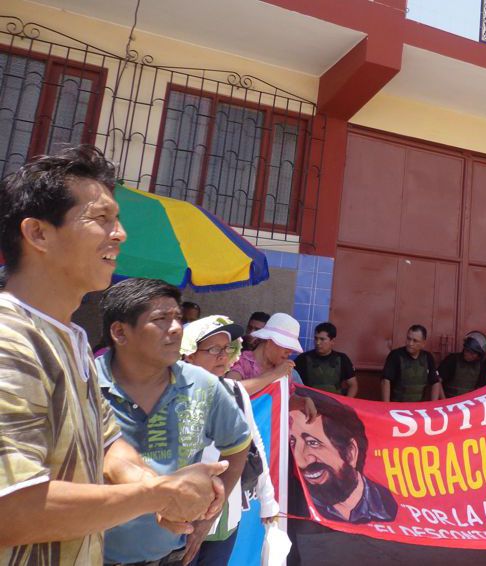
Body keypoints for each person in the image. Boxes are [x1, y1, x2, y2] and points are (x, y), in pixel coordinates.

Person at [0, 146, 225, 565]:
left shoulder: (72, 340)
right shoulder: (9, 339)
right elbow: (12, 509)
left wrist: (153, 486)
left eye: (116, 219)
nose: (119, 234)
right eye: (101, 218)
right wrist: (157, 494)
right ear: (38, 234)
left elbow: (107, 443)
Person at [97, 278, 252, 565]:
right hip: (91, 555)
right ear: (119, 332)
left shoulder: (204, 385)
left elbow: (239, 446)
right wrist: (159, 494)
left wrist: (208, 516)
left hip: (171, 555)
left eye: (178, 318)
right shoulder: (84, 385)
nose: (176, 328)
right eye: (161, 319)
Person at [181, 315, 281, 565]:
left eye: (227, 348)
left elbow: (254, 446)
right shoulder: (171, 394)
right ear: (189, 354)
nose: (223, 356)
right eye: (213, 349)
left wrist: (268, 500)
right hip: (180, 515)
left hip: (224, 516)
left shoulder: (235, 392)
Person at [290, 389, 398, 523]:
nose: (300, 460)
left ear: (350, 452)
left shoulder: (386, 504)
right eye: (292, 442)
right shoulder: (294, 504)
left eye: (313, 443)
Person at [228, 312, 304, 395]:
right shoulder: (240, 362)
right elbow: (231, 391)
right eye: (286, 346)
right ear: (269, 341)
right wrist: (275, 374)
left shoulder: (283, 369)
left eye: (291, 348)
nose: (289, 353)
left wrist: (301, 401)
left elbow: (285, 399)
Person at [381, 324, 442, 402]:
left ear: (423, 343)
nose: (410, 343)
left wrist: (433, 405)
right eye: (408, 339)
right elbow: (385, 381)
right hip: (397, 405)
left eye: (415, 341)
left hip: (418, 406)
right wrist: (386, 406)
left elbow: (435, 382)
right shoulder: (395, 355)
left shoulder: (428, 357)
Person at [295, 322, 357, 397]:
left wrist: (346, 402)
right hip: (310, 402)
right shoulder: (302, 359)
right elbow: (291, 382)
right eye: (316, 338)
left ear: (332, 341)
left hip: (334, 402)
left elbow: (353, 385)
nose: (318, 343)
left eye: (322, 339)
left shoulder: (342, 359)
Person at [439, 331, 486, 397]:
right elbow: (438, 382)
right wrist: (444, 400)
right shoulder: (452, 360)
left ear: (479, 356)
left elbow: (481, 388)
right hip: (450, 400)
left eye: (472, 353)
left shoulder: (480, 366)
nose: (467, 354)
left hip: (468, 401)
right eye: (467, 350)